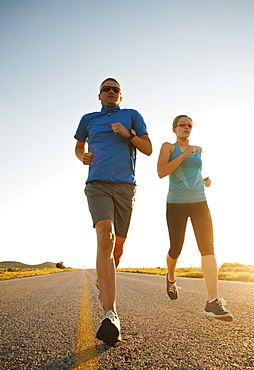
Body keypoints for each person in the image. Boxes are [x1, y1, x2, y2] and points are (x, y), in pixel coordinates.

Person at [74, 78, 152, 343]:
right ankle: (111, 313)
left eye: (115, 90)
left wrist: (128, 134)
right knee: (104, 237)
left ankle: (105, 280)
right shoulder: (88, 119)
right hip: (97, 184)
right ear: (99, 96)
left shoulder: (132, 116)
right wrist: (81, 156)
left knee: (117, 249)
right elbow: (78, 146)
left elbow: (148, 149)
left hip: (125, 186)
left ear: (121, 96)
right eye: (106, 89)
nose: (110, 92)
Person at [157, 115, 233, 321]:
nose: (186, 127)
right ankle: (171, 277)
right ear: (174, 129)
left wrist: (203, 180)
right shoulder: (168, 147)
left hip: (200, 202)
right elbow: (161, 172)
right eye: (182, 124)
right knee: (176, 248)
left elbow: (192, 173)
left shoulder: (198, 150)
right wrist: (183, 155)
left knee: (208, 247)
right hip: (176, 204)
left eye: (190, 124)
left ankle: (212, 302)